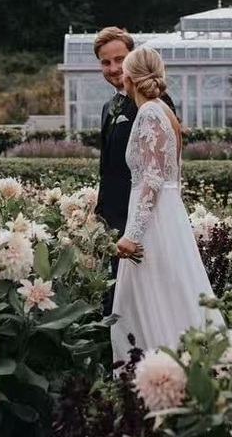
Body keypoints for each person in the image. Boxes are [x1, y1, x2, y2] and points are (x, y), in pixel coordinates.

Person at [110, 46, 224, 362]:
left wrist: (132, 234)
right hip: (167, 213)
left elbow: (153, 178)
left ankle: (154, 370)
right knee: (171, 295)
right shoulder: (165, 111)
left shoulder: (148, 113)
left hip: (154, 220)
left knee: (149, 300)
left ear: (129, 79)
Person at [93, 27, 174, 316]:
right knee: (114, 300)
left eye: (119, 59)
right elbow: (108, 167)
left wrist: (137, 226)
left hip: (140, 221)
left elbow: (160, 169)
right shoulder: (108, 107)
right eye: (105, 62)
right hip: (112, 217)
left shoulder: (155, 104)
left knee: (145, 305)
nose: (113, 68)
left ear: (132, 58)